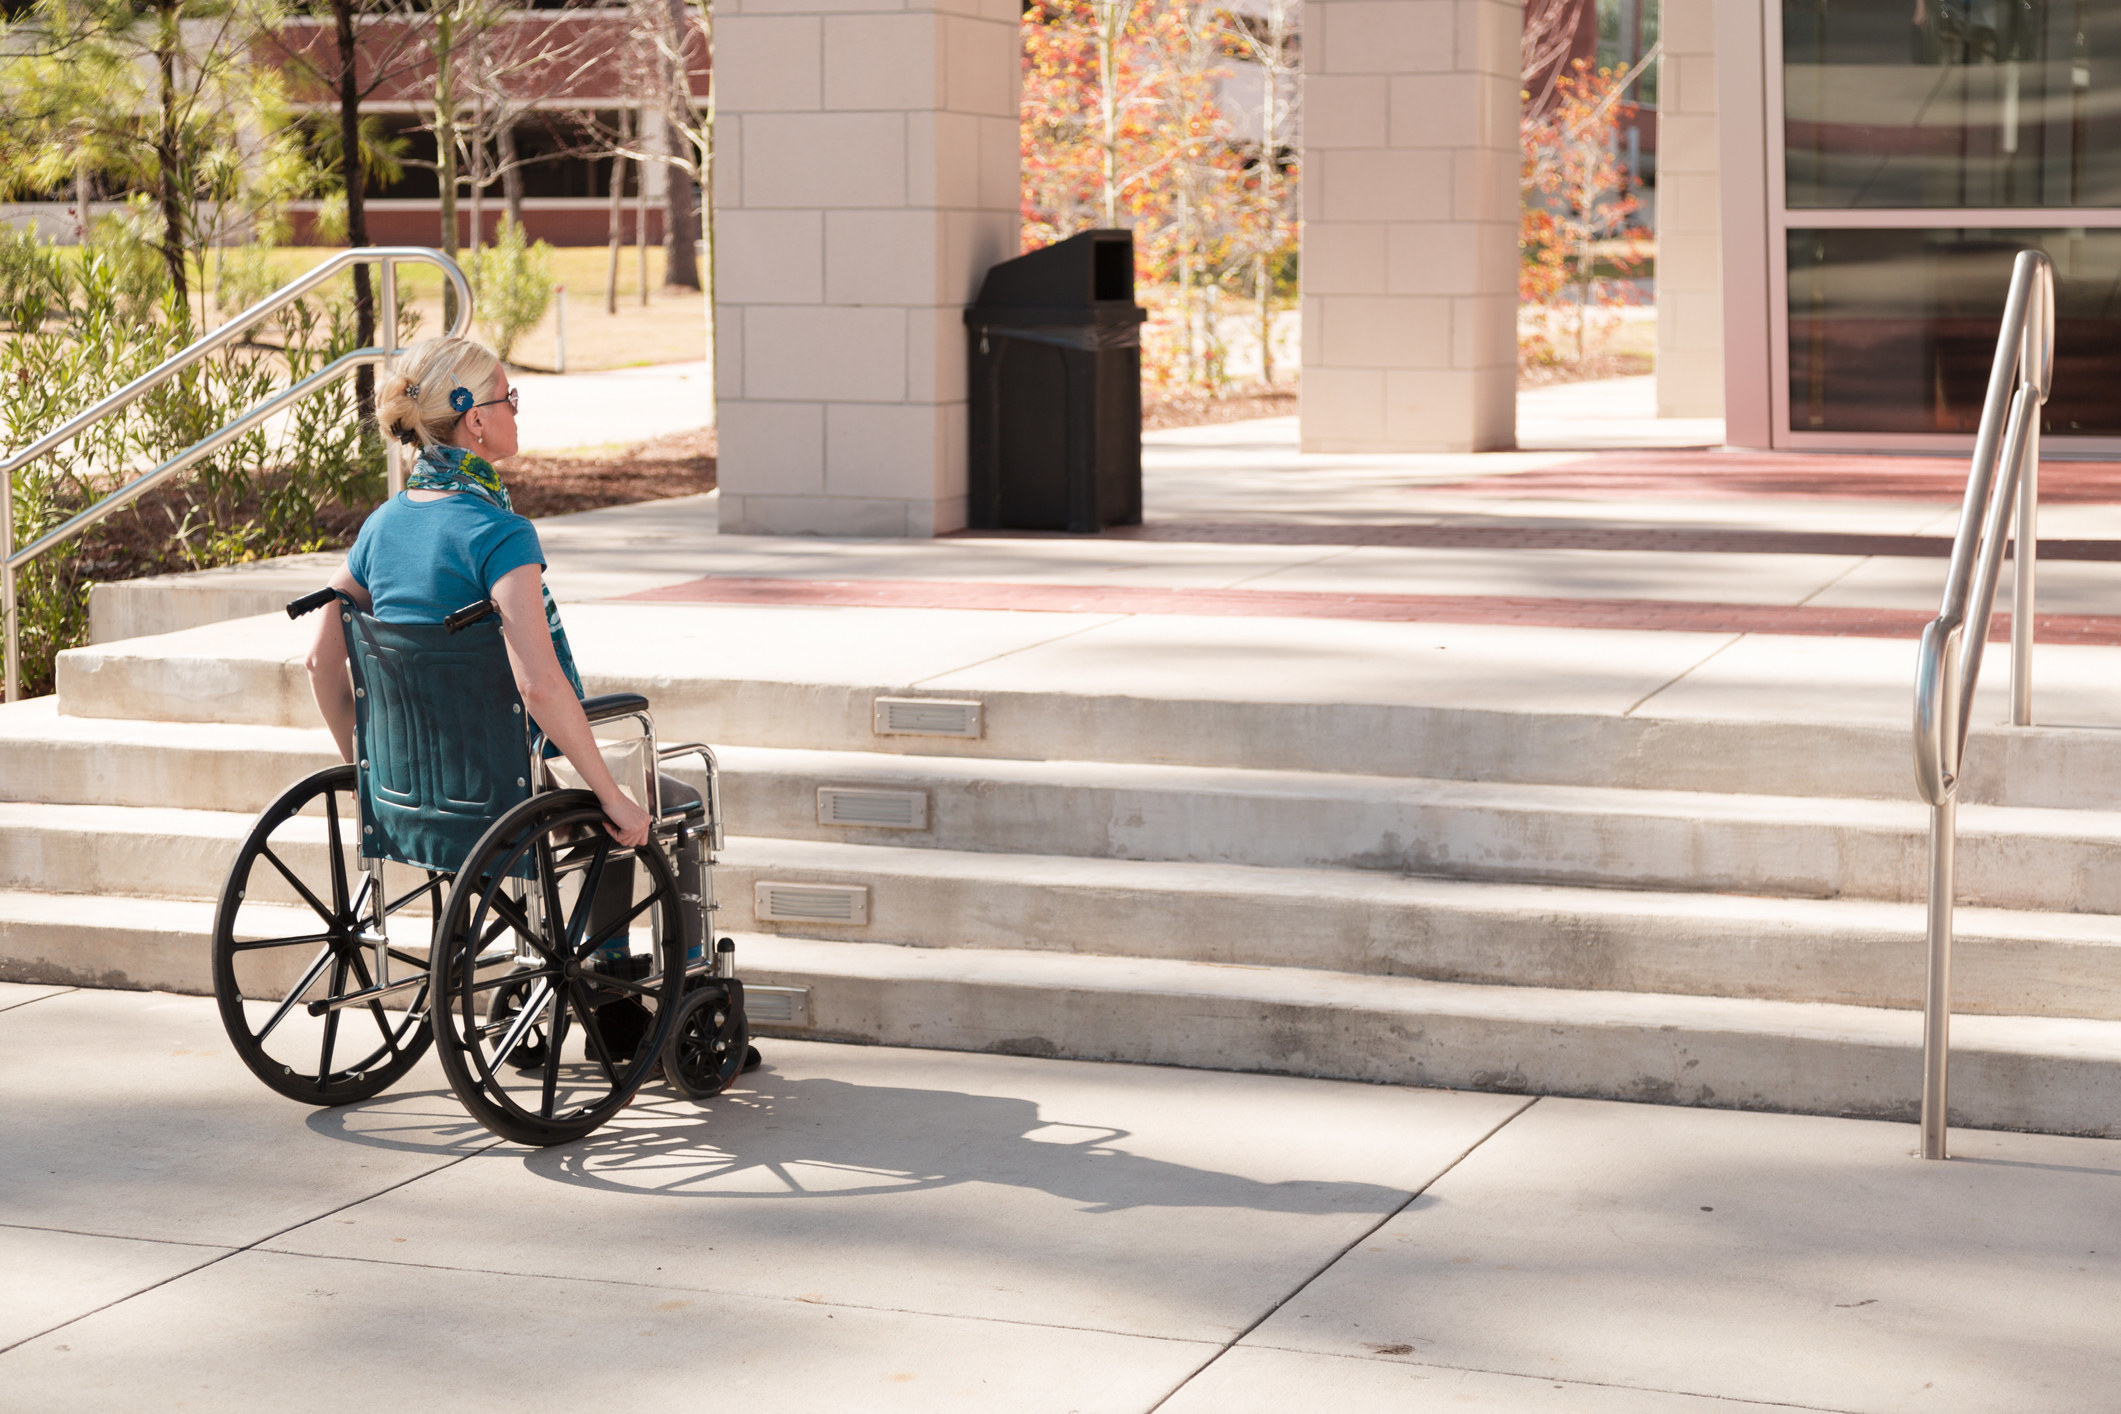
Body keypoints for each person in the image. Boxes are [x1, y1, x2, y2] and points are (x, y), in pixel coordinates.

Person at [304, 334, 706, 969]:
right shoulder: (498, 533)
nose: (516, 410)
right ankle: (622, 976)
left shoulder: (380, 528)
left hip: (412, 787)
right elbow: (540, 686)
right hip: (502, 791)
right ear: (477, 420)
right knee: (672, 802)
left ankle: (576, 968)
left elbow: (321, 662)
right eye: (508, 398)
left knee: (611, 794)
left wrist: (368, 771)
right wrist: (610, 793)